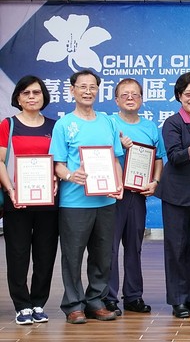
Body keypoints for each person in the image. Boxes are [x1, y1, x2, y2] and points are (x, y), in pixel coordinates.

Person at [49, 70, 124, 324]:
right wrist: (71, 176)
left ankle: (95, 301)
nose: (88, 91)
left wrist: (118, 184)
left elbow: (114, 158)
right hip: (74, 202)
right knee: (73, 255)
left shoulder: (108, 122)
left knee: (103, 255)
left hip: (106, 201)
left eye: (93, 87)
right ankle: (73, 305)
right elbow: (57, 165)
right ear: (72, 90)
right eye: (83, 87)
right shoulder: (64, 124)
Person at [154, 71, 190, 318]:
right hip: (177, 196)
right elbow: (174, 157)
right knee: (176, 248)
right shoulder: (173, 123)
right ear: (179, 96)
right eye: (188, 94)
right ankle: (177, 300)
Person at [104, 78, 165, 316]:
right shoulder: (108, 123)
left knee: (134, 246)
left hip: (137, 195)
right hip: (111, 194)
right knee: (109, 248)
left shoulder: (150, 127)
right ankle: (107, 297)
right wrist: (118, 144)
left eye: (135, 94)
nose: (130, 98)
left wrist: (155, 182)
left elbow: (158, 159)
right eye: (125, 94)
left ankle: (133, 296)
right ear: (116, 99)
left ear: (142, 99)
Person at [0, 76, 58, 325]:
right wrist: (10, 189)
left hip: (49, 202)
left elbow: (59, 162)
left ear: (44, 96)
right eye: (26, 93)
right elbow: (0, 162)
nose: (32, 97)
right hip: (17, 200)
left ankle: (38, 302)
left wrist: (56, 180)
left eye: (36, 92)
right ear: (18, 98)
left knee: (45, 254)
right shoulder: (8, 125)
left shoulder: (55, 126)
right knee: (18, 253)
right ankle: (22, 305)